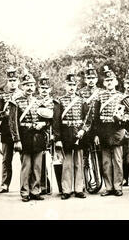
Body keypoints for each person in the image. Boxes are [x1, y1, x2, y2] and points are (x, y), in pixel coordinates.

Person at [92, 66, 129, 197]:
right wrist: (96, 134)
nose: (109, 83)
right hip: (104, 130)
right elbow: (95, 117)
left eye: (111, 80)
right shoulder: (99, 97)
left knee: (117, 160)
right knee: (105, 161)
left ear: (116, 82)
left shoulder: (122, 97)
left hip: (117, 129)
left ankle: (117, 187)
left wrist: (122, 119)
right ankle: (108, 187)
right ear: (104, 83)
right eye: (107, 80)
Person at [8, 71, 45, 202]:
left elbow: (46, 117)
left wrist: (43, 123)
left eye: (32, 85)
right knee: (26, 166)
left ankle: (35, 191)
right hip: (24, 136)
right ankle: (25, 192)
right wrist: (16, 139)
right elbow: (12, 122)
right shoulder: (15, 101)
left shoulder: (39, 101)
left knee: (37, 167)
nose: (29, 87)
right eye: (26, 85)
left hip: (38, 136)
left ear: (35, 87)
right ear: (22, 86)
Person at [53, 71, 90, 199]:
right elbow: (56, 122)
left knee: (79, 163)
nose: (71, 87)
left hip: (78, 135)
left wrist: (83, 130)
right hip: (65, 135)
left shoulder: (82, 101)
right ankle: (66, 190)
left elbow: (87, 119)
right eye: (69, 85)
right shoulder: (59, 101)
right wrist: (57, 138)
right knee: (67, 164)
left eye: (73, 85)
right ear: (65, 86)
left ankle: (79, 189)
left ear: (76, 86)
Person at [0, 66, 21, 194]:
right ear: (7, 81)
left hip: (21, 133)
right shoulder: (2, 97)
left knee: (25, 159)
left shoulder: (23, 95)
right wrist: (6, 114)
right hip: (6, 132)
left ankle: (26, 184)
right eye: (10, 80)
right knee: (6, 160)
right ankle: (4, 184)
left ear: (18, 81)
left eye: (14, 80)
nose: (12, 83)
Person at [78, 63, 104, 193]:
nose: (91, 81)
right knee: (84, 157)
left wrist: (98, 133)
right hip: (84, 128)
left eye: (93, 78)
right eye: (88, 78)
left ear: (97, 79)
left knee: (98, 156)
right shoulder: (80, 93)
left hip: (97, 128)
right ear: (85, 80)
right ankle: (85, 182)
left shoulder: (101, 93)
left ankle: (98, 182)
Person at [35, 73, 55, 195]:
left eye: (46, 88)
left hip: (50, 133)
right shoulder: (35, 101)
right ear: (38, 89)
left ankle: (64, 186)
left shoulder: (54, 102)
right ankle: (42, 184)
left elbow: (56, 119)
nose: (44, 90)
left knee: (57, 160)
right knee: (40, 161)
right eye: (42, 88)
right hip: (37, 133)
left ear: (50, 89)